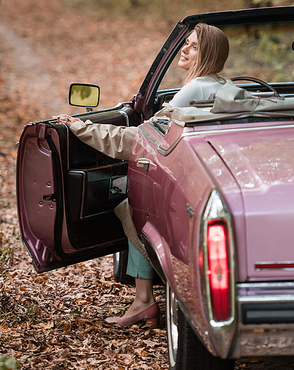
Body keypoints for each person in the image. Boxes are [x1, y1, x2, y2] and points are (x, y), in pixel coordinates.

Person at [58, 23, 229, 329]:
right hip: (210, 176)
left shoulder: (196, 88)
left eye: (193, 46)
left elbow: (141, 140)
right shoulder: (225, 86)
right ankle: (143, 300)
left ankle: (143, 301)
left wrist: (80, 127)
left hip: (184, 176)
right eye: (185, 44)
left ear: (208, 54)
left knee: (131, 208)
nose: (185, 50)